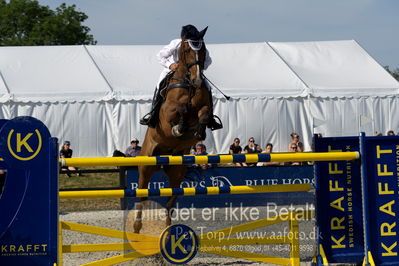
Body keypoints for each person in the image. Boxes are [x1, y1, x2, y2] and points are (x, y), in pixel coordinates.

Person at [139, 24, 222, 131]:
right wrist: (170, 65)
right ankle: (153, 115)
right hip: (172, 71)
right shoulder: (176, 43)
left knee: (208, 87)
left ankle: (211, 119)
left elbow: (208, 60)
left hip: (193, 72)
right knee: (160, 84)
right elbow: (160, 55)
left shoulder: (199, 45)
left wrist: (199, 68)